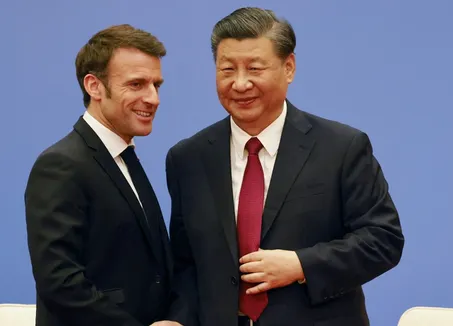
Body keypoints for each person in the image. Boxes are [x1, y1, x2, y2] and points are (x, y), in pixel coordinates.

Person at [164, 7, 404, 326]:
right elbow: (186, 264)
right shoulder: (188, 158)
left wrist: (301, 265)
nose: (240, 83)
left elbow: (383, 240)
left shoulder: (341, 148)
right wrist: (178, 319)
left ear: (288, 67)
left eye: (254, 68)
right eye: (227, 70)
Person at [25, 24, 173, 326]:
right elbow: (60, 283)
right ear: (94, 86)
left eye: (156, 85)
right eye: (136, 84)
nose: (153, 98)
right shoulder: (61, 165)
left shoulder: (125, 157)